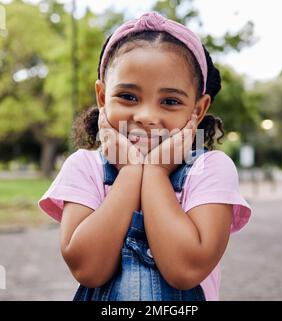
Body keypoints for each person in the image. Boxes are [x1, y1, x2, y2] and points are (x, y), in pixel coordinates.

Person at [38, 11, 252, 301]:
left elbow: (185, 270)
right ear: (102, 97)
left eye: (170, 101)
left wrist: (154, 172)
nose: (147, 116)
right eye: (128, 96)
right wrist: (129, 173)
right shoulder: (84, 167)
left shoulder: (210, 169)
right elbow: (88, 268)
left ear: (198, 110)